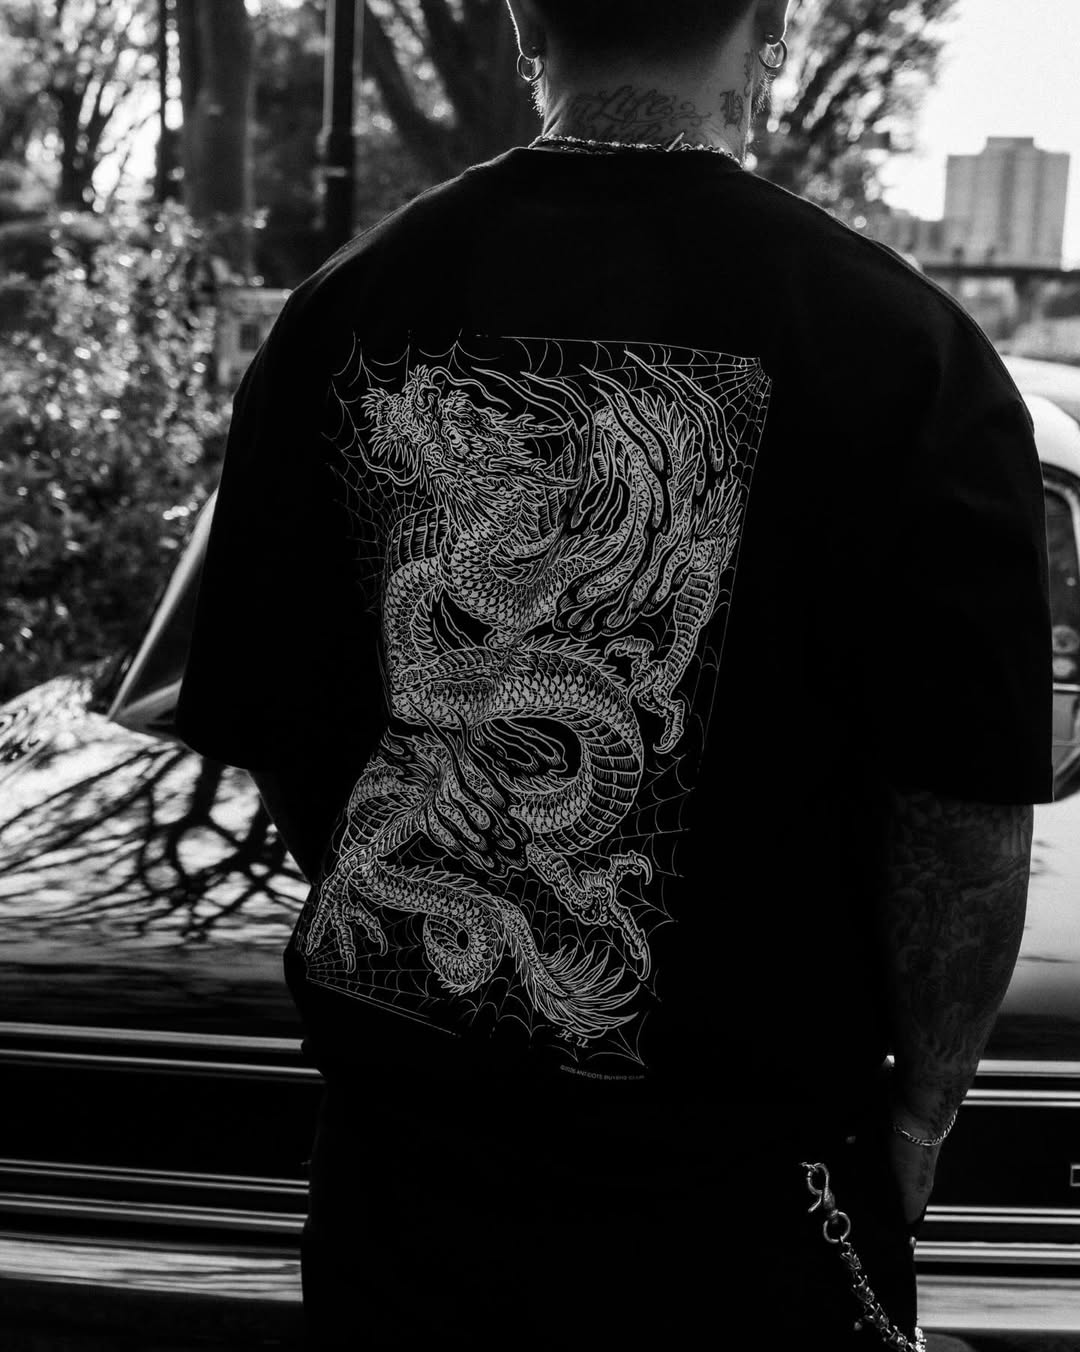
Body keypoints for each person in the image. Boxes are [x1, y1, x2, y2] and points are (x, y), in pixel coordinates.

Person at [175, 0, 1053, 1345]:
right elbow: (963, 827)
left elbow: (288, 740)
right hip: (742, 1210)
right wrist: (925, 1112)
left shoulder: (339, 312)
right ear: (769, 26)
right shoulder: (906, 350)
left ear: (526, 19)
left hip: (408, 1188)